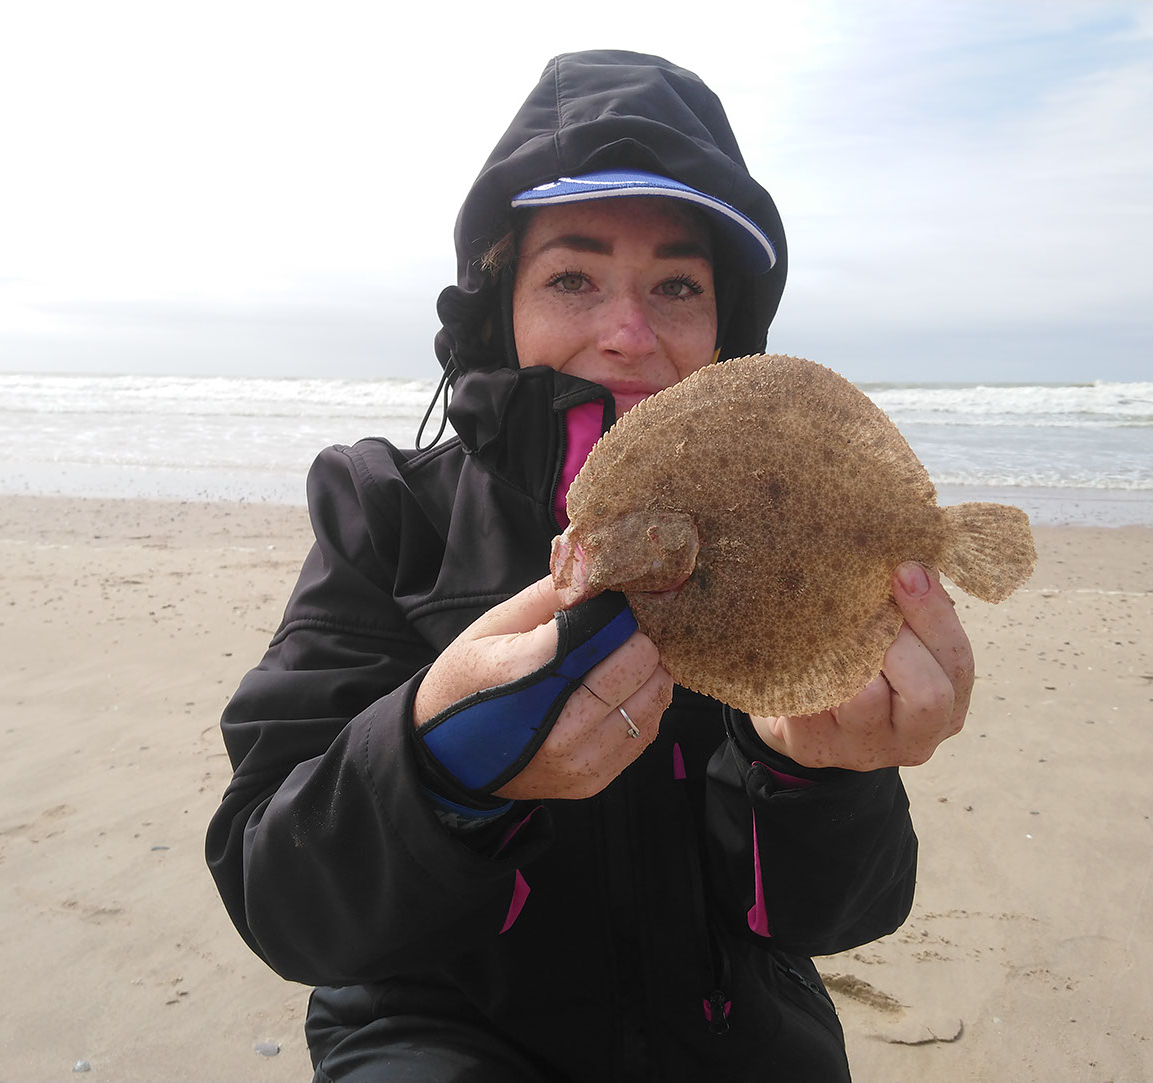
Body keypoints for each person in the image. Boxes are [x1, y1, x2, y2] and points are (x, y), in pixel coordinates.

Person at [206, 50, 974, 1082]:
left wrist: (822, 772)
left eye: (676, 285)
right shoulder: (387, 513)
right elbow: (281, 897)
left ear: (725, 330)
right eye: (573, 277)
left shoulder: (792, 541)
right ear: (499, 305)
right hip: (436, 1034)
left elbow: (833, 916)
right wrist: (434, 765)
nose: (628, 333)